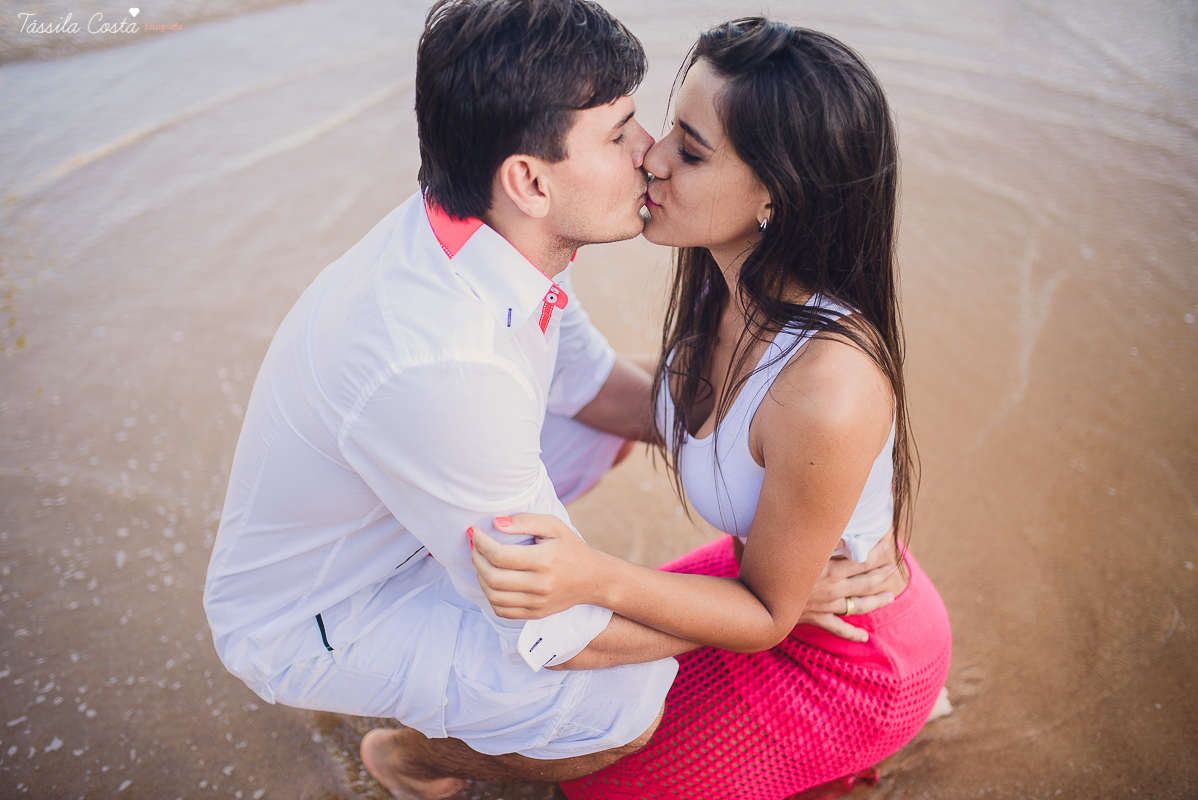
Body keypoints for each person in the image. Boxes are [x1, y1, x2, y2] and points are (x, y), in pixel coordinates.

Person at [202, 2, 893, 798]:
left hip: (392, 502)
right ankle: (409, 760)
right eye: (623, 132)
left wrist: (818, 499)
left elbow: (599, 390)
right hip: (323, 607)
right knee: (614, 707)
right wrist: (752, 610)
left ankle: (472, 564)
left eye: (666, 136)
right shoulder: (442, 362)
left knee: (595, 430)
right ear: (529, 180)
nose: (650, 156)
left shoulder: (487, 230)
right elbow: (567, 634)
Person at [470, 18, 953, 800]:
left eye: (691, 151)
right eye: (672, 127)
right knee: (540, 703)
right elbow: (656, 409)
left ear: (777, 195)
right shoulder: (728, 288)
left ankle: (869, 740)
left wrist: (592, 575)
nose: (651, 157)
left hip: (846, 651)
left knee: (587, 776)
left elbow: (768, 611)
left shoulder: (828, 385)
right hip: (775, 584)